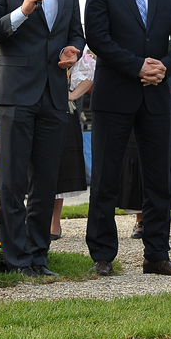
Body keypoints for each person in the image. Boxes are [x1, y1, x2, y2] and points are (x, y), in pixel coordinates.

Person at [84, 0, 171, 277]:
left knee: (159, 180)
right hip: (114, 97)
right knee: (105, 178)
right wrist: (138, 67)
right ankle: (103, 255)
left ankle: (157, 255)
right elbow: (98, 38)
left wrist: (164, 67)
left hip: (155, 97)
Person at [0, 0, 85, 277]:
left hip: (54, 95)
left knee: (46, 182)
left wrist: (73, 50)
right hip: (15, 96)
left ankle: (39, 256)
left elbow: (76, 32)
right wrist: (22, 12)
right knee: (13, 182)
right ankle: (17, 259)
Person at [118, 62, 171, 239]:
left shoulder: (170, 49)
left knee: (165, 163)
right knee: (137, 160)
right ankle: (141, 220)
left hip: (166, 107)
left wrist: (158, 79)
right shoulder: (131, 52)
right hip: (134, 108)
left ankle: (161, 221)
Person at [50, 50, 95, 240]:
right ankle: (37, 219)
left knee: (59, 167)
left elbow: (90, 73)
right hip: (34, 109)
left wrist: (72, 95)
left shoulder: (72, 49)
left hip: (61, 112)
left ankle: (54, 222)